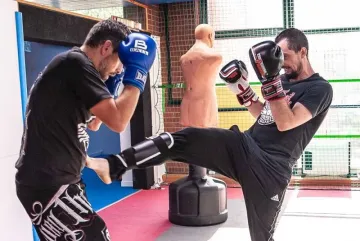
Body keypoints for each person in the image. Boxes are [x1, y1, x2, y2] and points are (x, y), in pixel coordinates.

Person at [87, 28, 333, 241]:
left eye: (286, 57)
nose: (282, 64)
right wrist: (244, 91)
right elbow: (265, 116)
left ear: (303, 52)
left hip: (272, 169)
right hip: (245, 146)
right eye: (278, 59)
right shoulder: (282, 81)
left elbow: (286, 122)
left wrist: (270, 79)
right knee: (179, 139)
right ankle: (114, 165)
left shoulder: (319, 89)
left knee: (262, 237)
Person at [14, 19, 156, 241]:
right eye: (120, 61)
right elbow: (118, 121)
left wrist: (111, 82)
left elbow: (94, 123)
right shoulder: (76, 64)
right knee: (96, 235)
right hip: (48, 183)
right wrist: (136, 74)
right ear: (106, 47)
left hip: (59, 180)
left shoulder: (76, 68)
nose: (119, 68)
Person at [179, 23, 222, 128]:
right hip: (204, 104)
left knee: (189, 139)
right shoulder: (215, 57)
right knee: (206, 139)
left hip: (187, 103)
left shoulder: (183, 58)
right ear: (210, 36)